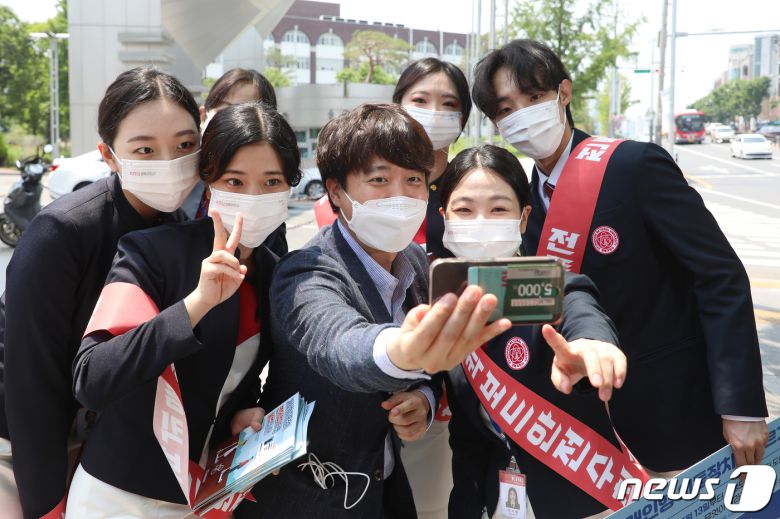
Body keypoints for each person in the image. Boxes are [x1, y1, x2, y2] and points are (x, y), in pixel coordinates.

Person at [471, 39, 768, 473]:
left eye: (532, 98)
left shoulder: (633, 166)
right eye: (504, 110)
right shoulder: (520, 208)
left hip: (679, 418)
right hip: (589, 436)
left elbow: (719, 276)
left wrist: (740, 405)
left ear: (563, 94)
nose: (521, 116)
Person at [245, 104, 511, 518]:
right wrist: (403, 351)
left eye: (413, 180)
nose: (400, 196)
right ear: (336, 191)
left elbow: (434, 371)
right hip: (306, 499)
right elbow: (339, 345)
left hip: (381, 490)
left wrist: (423, 397)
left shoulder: (418, 264)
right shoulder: (305, 270)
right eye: (379, 180)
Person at [68, 101, 299, 516]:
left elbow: (235, 378)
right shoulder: (152, 254)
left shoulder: (274, 274)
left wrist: (243, 412)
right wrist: (197, 303)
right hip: (118, 495)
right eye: (235, 180)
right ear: (208, 182)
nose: (253, 196)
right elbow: (93, 377)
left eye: (271, 182)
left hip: (202, 494)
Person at [0, 66, 200, 518]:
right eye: (145, 149)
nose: (168, 162)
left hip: (100, 448)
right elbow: (31, 386)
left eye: (185, 146)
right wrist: (45, 505)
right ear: (108, 155)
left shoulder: (181, 232)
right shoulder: (62, 231)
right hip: (18, 443)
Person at [441, 145, 630, 519]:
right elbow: (467, 437)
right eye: (464, 210)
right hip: (494, 501)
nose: (481, 221)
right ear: (444, 217)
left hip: (576, 497)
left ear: (524, 218)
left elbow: (580, 309)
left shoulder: (553, 289)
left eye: (498, 209)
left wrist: (592, 345)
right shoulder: (442, 307)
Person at [391, 56, 473, 519]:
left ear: (462, 121)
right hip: (376, 392)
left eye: (449, 104)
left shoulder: (474, 191)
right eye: (420, 100)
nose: (433, 113)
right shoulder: (368, 195)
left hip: (451, 403)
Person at [182, 68, 277, 218]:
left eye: (247, 114)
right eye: (225, 111)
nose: (235, 122)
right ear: (203, 116)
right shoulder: (177, 171)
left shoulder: (271, 195)